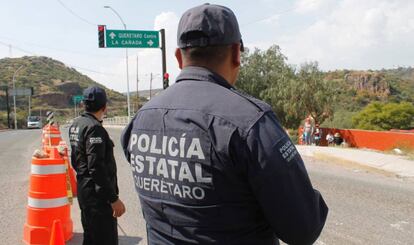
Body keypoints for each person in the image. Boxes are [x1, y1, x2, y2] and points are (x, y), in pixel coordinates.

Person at [121, 4, 328, 245]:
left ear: (178, 57)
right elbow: (303, 229)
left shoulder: (141, 118)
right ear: (237, 53)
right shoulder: (251, 122)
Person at [69, 86, 125, 245]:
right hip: (98, 198)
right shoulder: (94, 128)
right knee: (105, 239)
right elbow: (96, 168)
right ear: (104, 107)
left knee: (91, 237)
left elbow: (76, 159)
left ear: (83, 104)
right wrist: (113, 199)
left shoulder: (76, 124)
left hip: (84, 192)